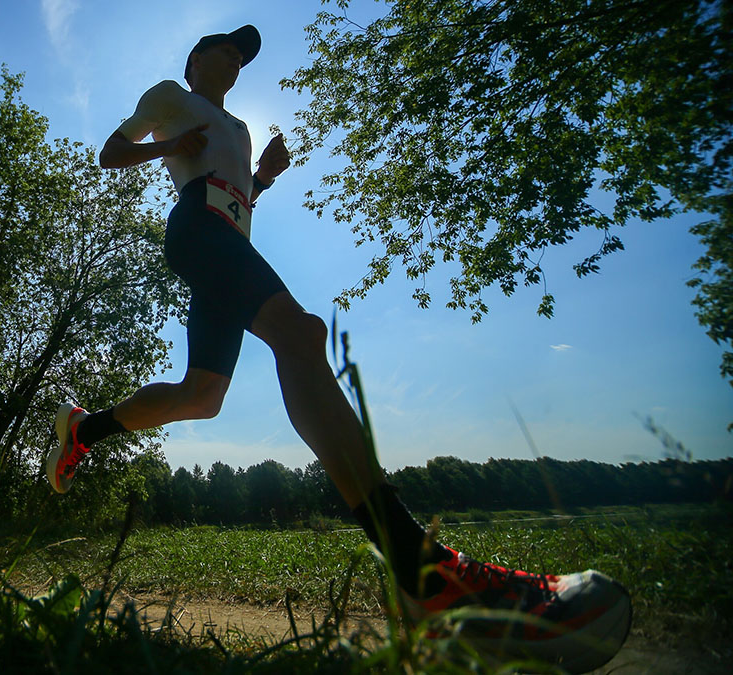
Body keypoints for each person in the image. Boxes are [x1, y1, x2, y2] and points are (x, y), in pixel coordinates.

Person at [45, 25, 631, 672]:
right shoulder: (170, 96)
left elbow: (238, 200)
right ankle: (421, 571)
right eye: (226, 48)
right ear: (195, 60)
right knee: (302, 335)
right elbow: (110, 152)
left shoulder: (239, 127)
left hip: (228, 240)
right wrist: (169, 147)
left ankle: (83, 430)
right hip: (195, 229)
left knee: (203, 396)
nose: (236, 59)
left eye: (242, 55)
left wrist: (263, 178)